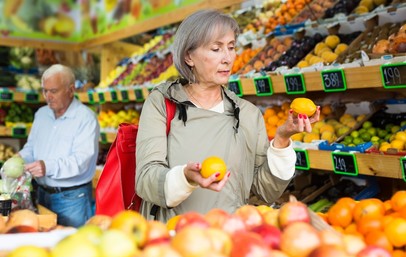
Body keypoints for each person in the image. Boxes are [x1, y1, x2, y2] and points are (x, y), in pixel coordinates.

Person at [135, 9, 320, 223]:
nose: (228, 58)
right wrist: (185, 177)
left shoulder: (248, 114)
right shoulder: (162, 102)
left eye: (231, 47)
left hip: (231, 240)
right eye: (216, 49)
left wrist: (281, 139)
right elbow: (146, 179)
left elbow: (264, 192)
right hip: (175, 240)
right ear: (188, 56)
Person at [18, 64, 100, 227]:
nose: (48, 96)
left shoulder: (86, 118)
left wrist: (46, 166)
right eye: (44, 90)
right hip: (41, 194)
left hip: (71, 199)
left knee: (73, 246)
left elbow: (80, 161)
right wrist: (20, 158)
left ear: (70, 90)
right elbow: (31, 147)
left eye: (53, 91)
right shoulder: (41, 114)